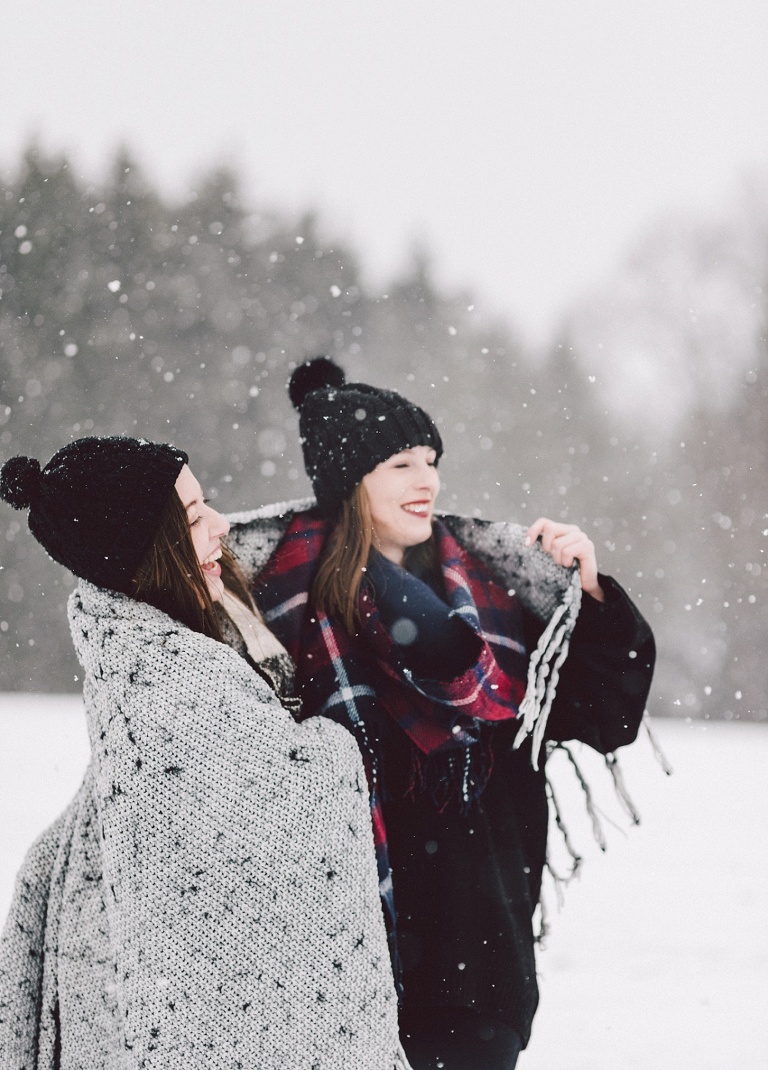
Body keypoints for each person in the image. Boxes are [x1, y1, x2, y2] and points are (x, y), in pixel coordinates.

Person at [226, 358, 655, 1070]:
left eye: (431, 461)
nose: (427, 480)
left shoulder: (497, 595)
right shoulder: (283, 614)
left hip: (477, 964)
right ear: (347, 480)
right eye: (400, 464)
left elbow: (607, 716)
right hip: (333, 964)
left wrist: (586, 590)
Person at [0, 436, 410, 1070]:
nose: (220, 526)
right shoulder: (178, 678)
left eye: (207, 504)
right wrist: (331, 743)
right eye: (193, 517)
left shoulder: (130, 650)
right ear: (143, 551)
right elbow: (298, 805)